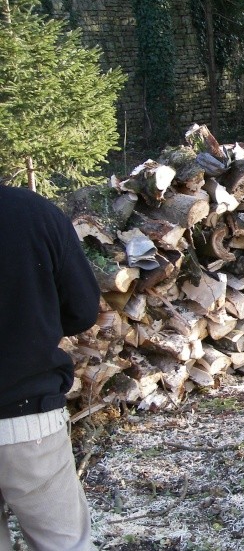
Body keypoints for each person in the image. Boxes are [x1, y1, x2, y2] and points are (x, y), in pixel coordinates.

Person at [0, 183, 100, 551]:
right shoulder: (32, 211)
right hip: (28, 418)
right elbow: (82, 310)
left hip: (29, 411)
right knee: (65, 545)